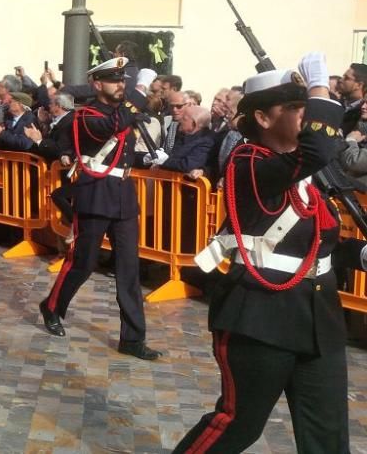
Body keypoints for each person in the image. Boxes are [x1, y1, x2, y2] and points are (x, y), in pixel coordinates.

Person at [176, 53, 367, 453]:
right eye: (295, 107)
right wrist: (320, 90)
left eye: (304, 106)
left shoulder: (310, 176)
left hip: (319, 316)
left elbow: (316, 242)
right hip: (259, 315)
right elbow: (317, 149)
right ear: (263, 119)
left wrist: (360, 255)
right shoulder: (247, 161)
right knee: (238, 426)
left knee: (328, 439)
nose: (304, 114)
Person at [38, 57, 162, 361]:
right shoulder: (86, 115)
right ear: (97, 84)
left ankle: (132, 338)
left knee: (129, 270)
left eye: (124, 80)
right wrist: (142, 88)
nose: (121, 85)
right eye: (114, 80)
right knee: (83, 262)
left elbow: (121, 153)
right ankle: (52, 305)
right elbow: (112, 126)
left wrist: (148, 160)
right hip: (95, 195)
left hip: (123, 196)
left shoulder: (123, 112)